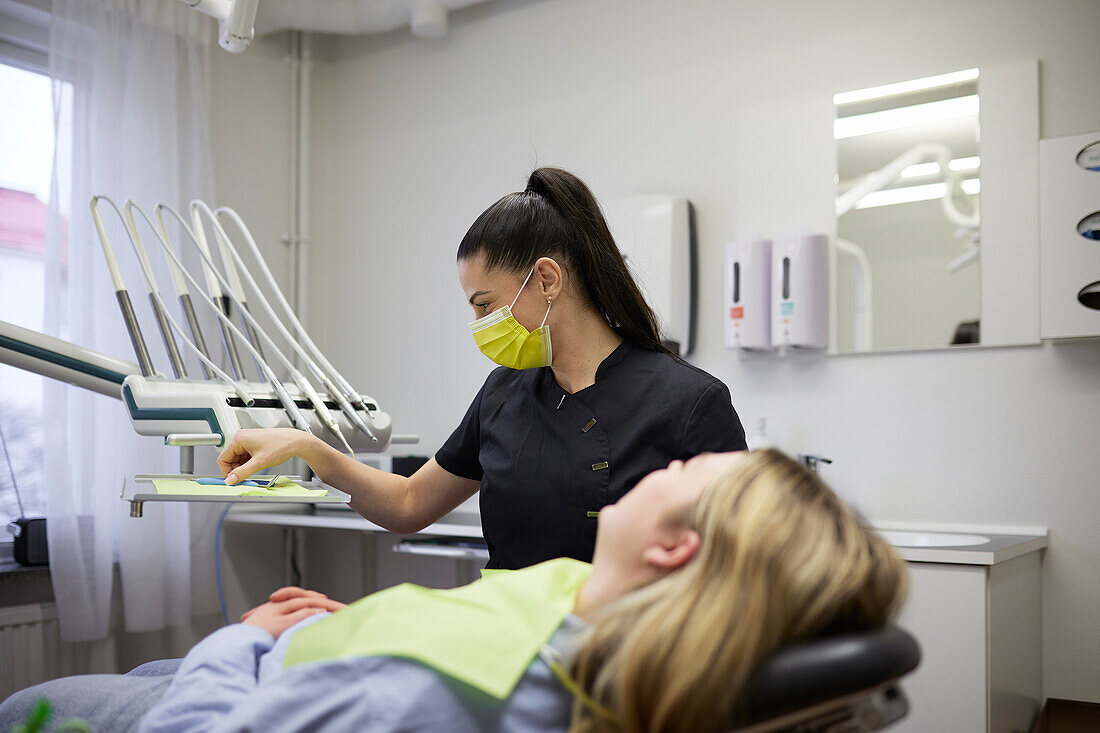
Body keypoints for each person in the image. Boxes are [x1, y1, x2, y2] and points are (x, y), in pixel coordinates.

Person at [0, 449, 908, 733]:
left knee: (23, 704)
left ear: (675, 548)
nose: (666, 460)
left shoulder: (429, 694)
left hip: (246, 678)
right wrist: (370, 619)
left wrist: (237, 637)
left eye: (688, 466)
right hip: (316, 653)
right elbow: (468, 590)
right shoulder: (591, 593)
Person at [218, 167, 747, 569]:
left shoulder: (689, 403)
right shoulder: (506, 393)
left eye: (484, 304)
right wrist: (307, 447)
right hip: (503, 643)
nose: (478, 323)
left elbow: (739, 567)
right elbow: (408, 503)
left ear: (546, 280)